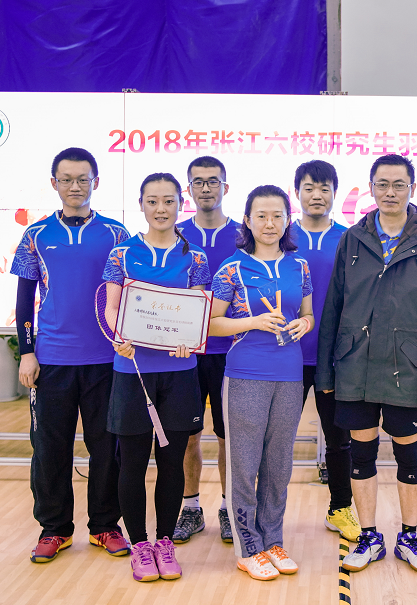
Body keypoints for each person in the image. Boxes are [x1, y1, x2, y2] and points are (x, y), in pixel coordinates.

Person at [317, 154, 417, 574]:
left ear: (412, 188)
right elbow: (333, 306)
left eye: (399, 184)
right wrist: (325, 370)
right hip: (355, 365)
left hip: (407, 367)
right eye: (382, 184)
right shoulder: (352, 239)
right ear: (371, 188)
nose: (390, 192)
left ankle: (409, 537)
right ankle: (369, 537)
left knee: (408, 454)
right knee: (360, 453)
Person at [10, 147, 131, 564]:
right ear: (54, 183)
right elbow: (24, 301)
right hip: (52, 360)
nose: (75, 186)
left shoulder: (117, 235)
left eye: (83, 179)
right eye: (67, 179)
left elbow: (131, 294)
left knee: (107, 448)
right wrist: (27, 352)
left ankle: (105, 525)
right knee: (50, 449)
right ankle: (55, 529)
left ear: (96, 182)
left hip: (106, 361)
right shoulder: (36, 235)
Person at [102, 173, 211, 582]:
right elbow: (112, 307)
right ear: (141, 205)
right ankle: (140, 546)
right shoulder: (122, 254)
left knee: (171, 462)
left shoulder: (195, 258)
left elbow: (198, 310)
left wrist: (190, 341)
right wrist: (119, 336)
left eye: (168, 201)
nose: (161, 209)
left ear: (180, 203)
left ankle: (165, 542)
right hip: (133, 371)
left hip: (180, 373)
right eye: (152, 201)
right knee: (131, 462)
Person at [208, 185, 314, 581]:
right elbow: (212, 323)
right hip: (245, 375)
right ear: (247, 221)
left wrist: (305, 324)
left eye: (277, 216)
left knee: (279, 464)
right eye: (261, 216)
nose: (270, 223)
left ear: (287, 220)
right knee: (244, 464)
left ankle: (273, 541)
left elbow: (308, 314)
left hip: (289, 374)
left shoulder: (299, 266)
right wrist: (252, 321)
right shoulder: (231, 269)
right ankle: (248, 546)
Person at [173, 156, 241, 545]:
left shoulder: (245, 234)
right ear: (189, 189)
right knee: (189, 436)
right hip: (186, 354)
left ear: (225, 188)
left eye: (213, 181)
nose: (205, 188)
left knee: (230, 438)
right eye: (197, 182)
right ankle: (191, 507)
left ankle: (230, 508)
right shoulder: (174, 233)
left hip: (233, 353)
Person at [290, 160, 358, 541]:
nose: (317, 195)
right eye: (309, 188)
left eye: (324, 188)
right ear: (297, 192)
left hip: (335, 358)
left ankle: (340, 509)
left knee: (339, 440)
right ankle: (269, 514)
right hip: (287, 356)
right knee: (277, 441)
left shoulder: (351, 238)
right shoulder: (280, 235)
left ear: (335, 193)